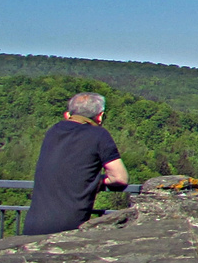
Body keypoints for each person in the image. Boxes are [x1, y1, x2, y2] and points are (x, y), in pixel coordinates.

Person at [24, 93, 129, 237]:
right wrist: (96, 180)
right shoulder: (99, 135)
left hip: (33, 226)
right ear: (100, 116)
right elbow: (120, 178)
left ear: (68, 114)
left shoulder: (53, 132)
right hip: (69, 227)